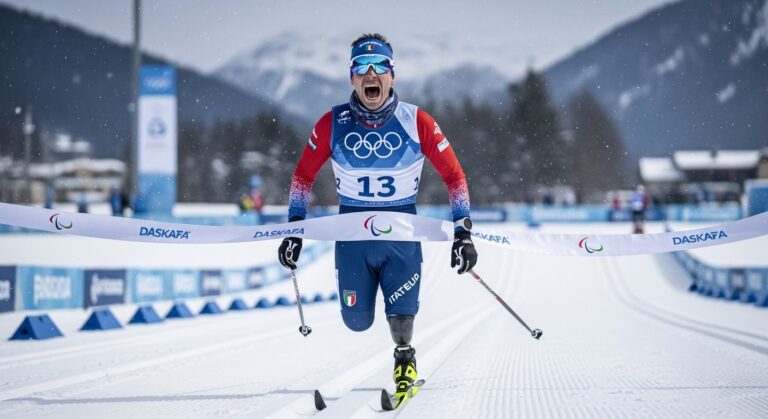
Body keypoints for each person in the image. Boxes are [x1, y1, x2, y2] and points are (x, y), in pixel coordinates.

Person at [277, 34, 478, 403]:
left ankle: (405, 360)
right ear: (352, 77)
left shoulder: (417, 121)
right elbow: (302, 178)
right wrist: (294, 230)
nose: (372, 75)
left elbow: (455, 177)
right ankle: (375, 327)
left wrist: (463, 232)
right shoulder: (331, 123)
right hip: (353, 237)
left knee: (401, 319)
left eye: (380, 67)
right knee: (356, 321)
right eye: (362, 68)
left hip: (400, 234)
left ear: (392, 75)